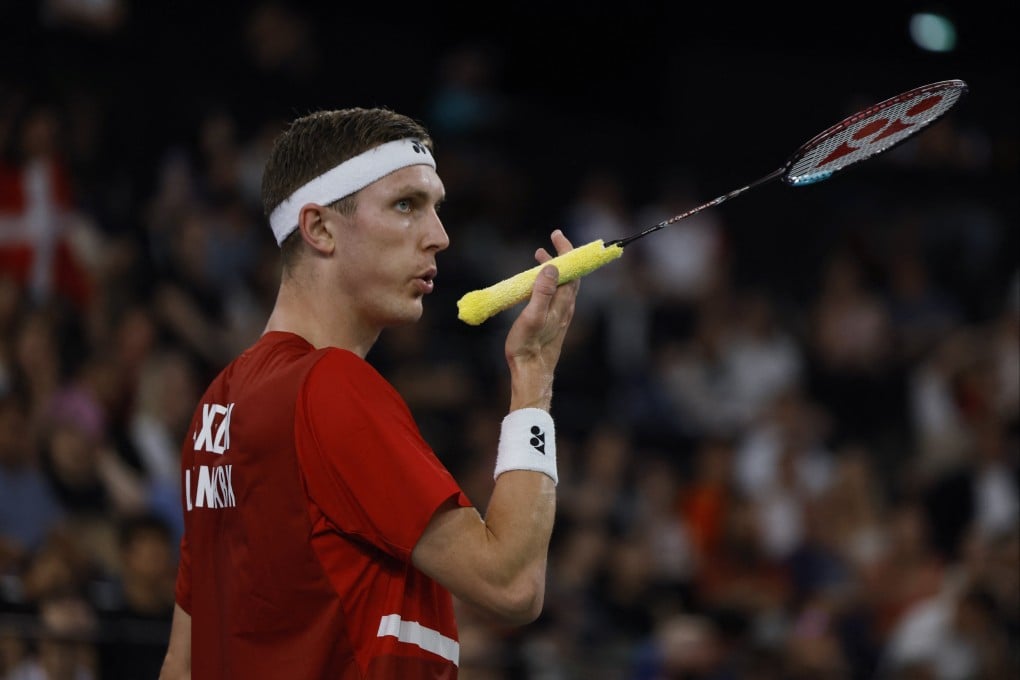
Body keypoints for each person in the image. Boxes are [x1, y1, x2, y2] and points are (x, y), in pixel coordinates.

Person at [159, 106, 580, 679]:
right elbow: (511, 585)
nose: (439, 236)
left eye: (436, 208)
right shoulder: (329, 385)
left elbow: (183, 664)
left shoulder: (216, 405)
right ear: (320, 229)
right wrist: (533, 377)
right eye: (406, 205)